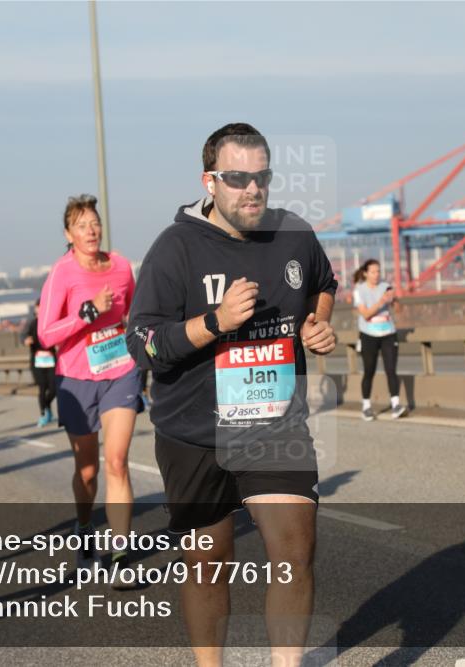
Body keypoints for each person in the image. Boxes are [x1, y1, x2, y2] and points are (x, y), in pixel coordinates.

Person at [126, 123, 338, 666]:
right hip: (194, 433)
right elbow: (143, 344)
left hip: (275, 426)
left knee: (294, 554)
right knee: (208, 564)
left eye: (262, 176)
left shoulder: (294, 234)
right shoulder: (175, 248)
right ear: (210, 182)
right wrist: (214, 323)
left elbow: (323, 283)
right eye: (238, 178)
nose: (252, 189)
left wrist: (315, 323)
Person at [38, 193, 141, 585]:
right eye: (81, 225)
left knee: (116, 461)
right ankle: (84, 529)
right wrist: (88, 312)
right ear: (69, 234)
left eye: (94, 222)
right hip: (77, 378)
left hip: (120, 372)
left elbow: (135, 314)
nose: (91, 230)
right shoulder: (62, 273)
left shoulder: (122, 267)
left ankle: (120, 556)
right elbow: (46, 334)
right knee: (87, 471)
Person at [352, 259, 407, 421]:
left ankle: (396, 405)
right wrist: (382, 301)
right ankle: (366, 406)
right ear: (365, 273)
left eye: (378, 271)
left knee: (391, 370)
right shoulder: (359, 290)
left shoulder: (385, 287)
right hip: (368, 334)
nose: (376, 274)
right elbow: (365, 314)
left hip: (388, 333)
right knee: (369, 371)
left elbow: (399, 310)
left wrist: (394, 300)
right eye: (373, 272)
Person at [23, 299, 56, 427]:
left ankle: (46, 405)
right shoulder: (32, 323)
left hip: (51, 359)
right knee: (42, 387)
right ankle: (44, 414)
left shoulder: (51, 322)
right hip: (37, 361)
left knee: (54, 388)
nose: (39, 312)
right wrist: (26, 340)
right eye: (37, 309)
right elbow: (23, 336)